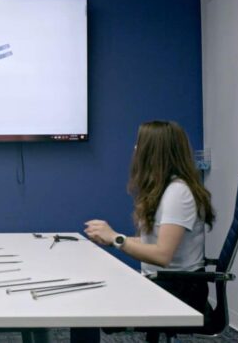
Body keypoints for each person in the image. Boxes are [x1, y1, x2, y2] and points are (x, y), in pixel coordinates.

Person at [84, 120, 215, 315]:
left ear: (153, 151)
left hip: (180, 291)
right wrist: (113, 239)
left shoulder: (178, 193)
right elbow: (153, 241)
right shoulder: (168, 189)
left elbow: (162, 255)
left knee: (94, 301)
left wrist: (116, 238)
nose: (135, 148)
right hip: (167, 282)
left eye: (139, 143)